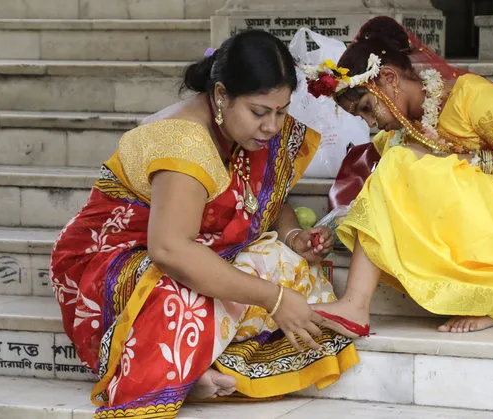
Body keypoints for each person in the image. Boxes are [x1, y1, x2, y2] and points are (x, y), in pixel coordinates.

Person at [49, 30, 358, 418]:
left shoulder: (246, 131)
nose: (273, 127)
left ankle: (207, 361)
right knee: (184, 300)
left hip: (191, 248)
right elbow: (170, 250)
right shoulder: (184, 142)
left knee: (289, 267)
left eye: (281, 111)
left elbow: (261, 197)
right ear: (221, 95)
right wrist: (272, 299)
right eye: (260, 112)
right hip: (114, 258)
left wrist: (293, 235)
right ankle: (181, 376)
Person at [306, 16, 493, 335]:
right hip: (483, 202)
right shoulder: (406, 126)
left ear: (388, 78)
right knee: (398, 163)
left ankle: (360, 304)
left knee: (401, 161)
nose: (370, 124)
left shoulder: (472, 95)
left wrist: (452, 161)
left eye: (368, 108)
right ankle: (356, 305)